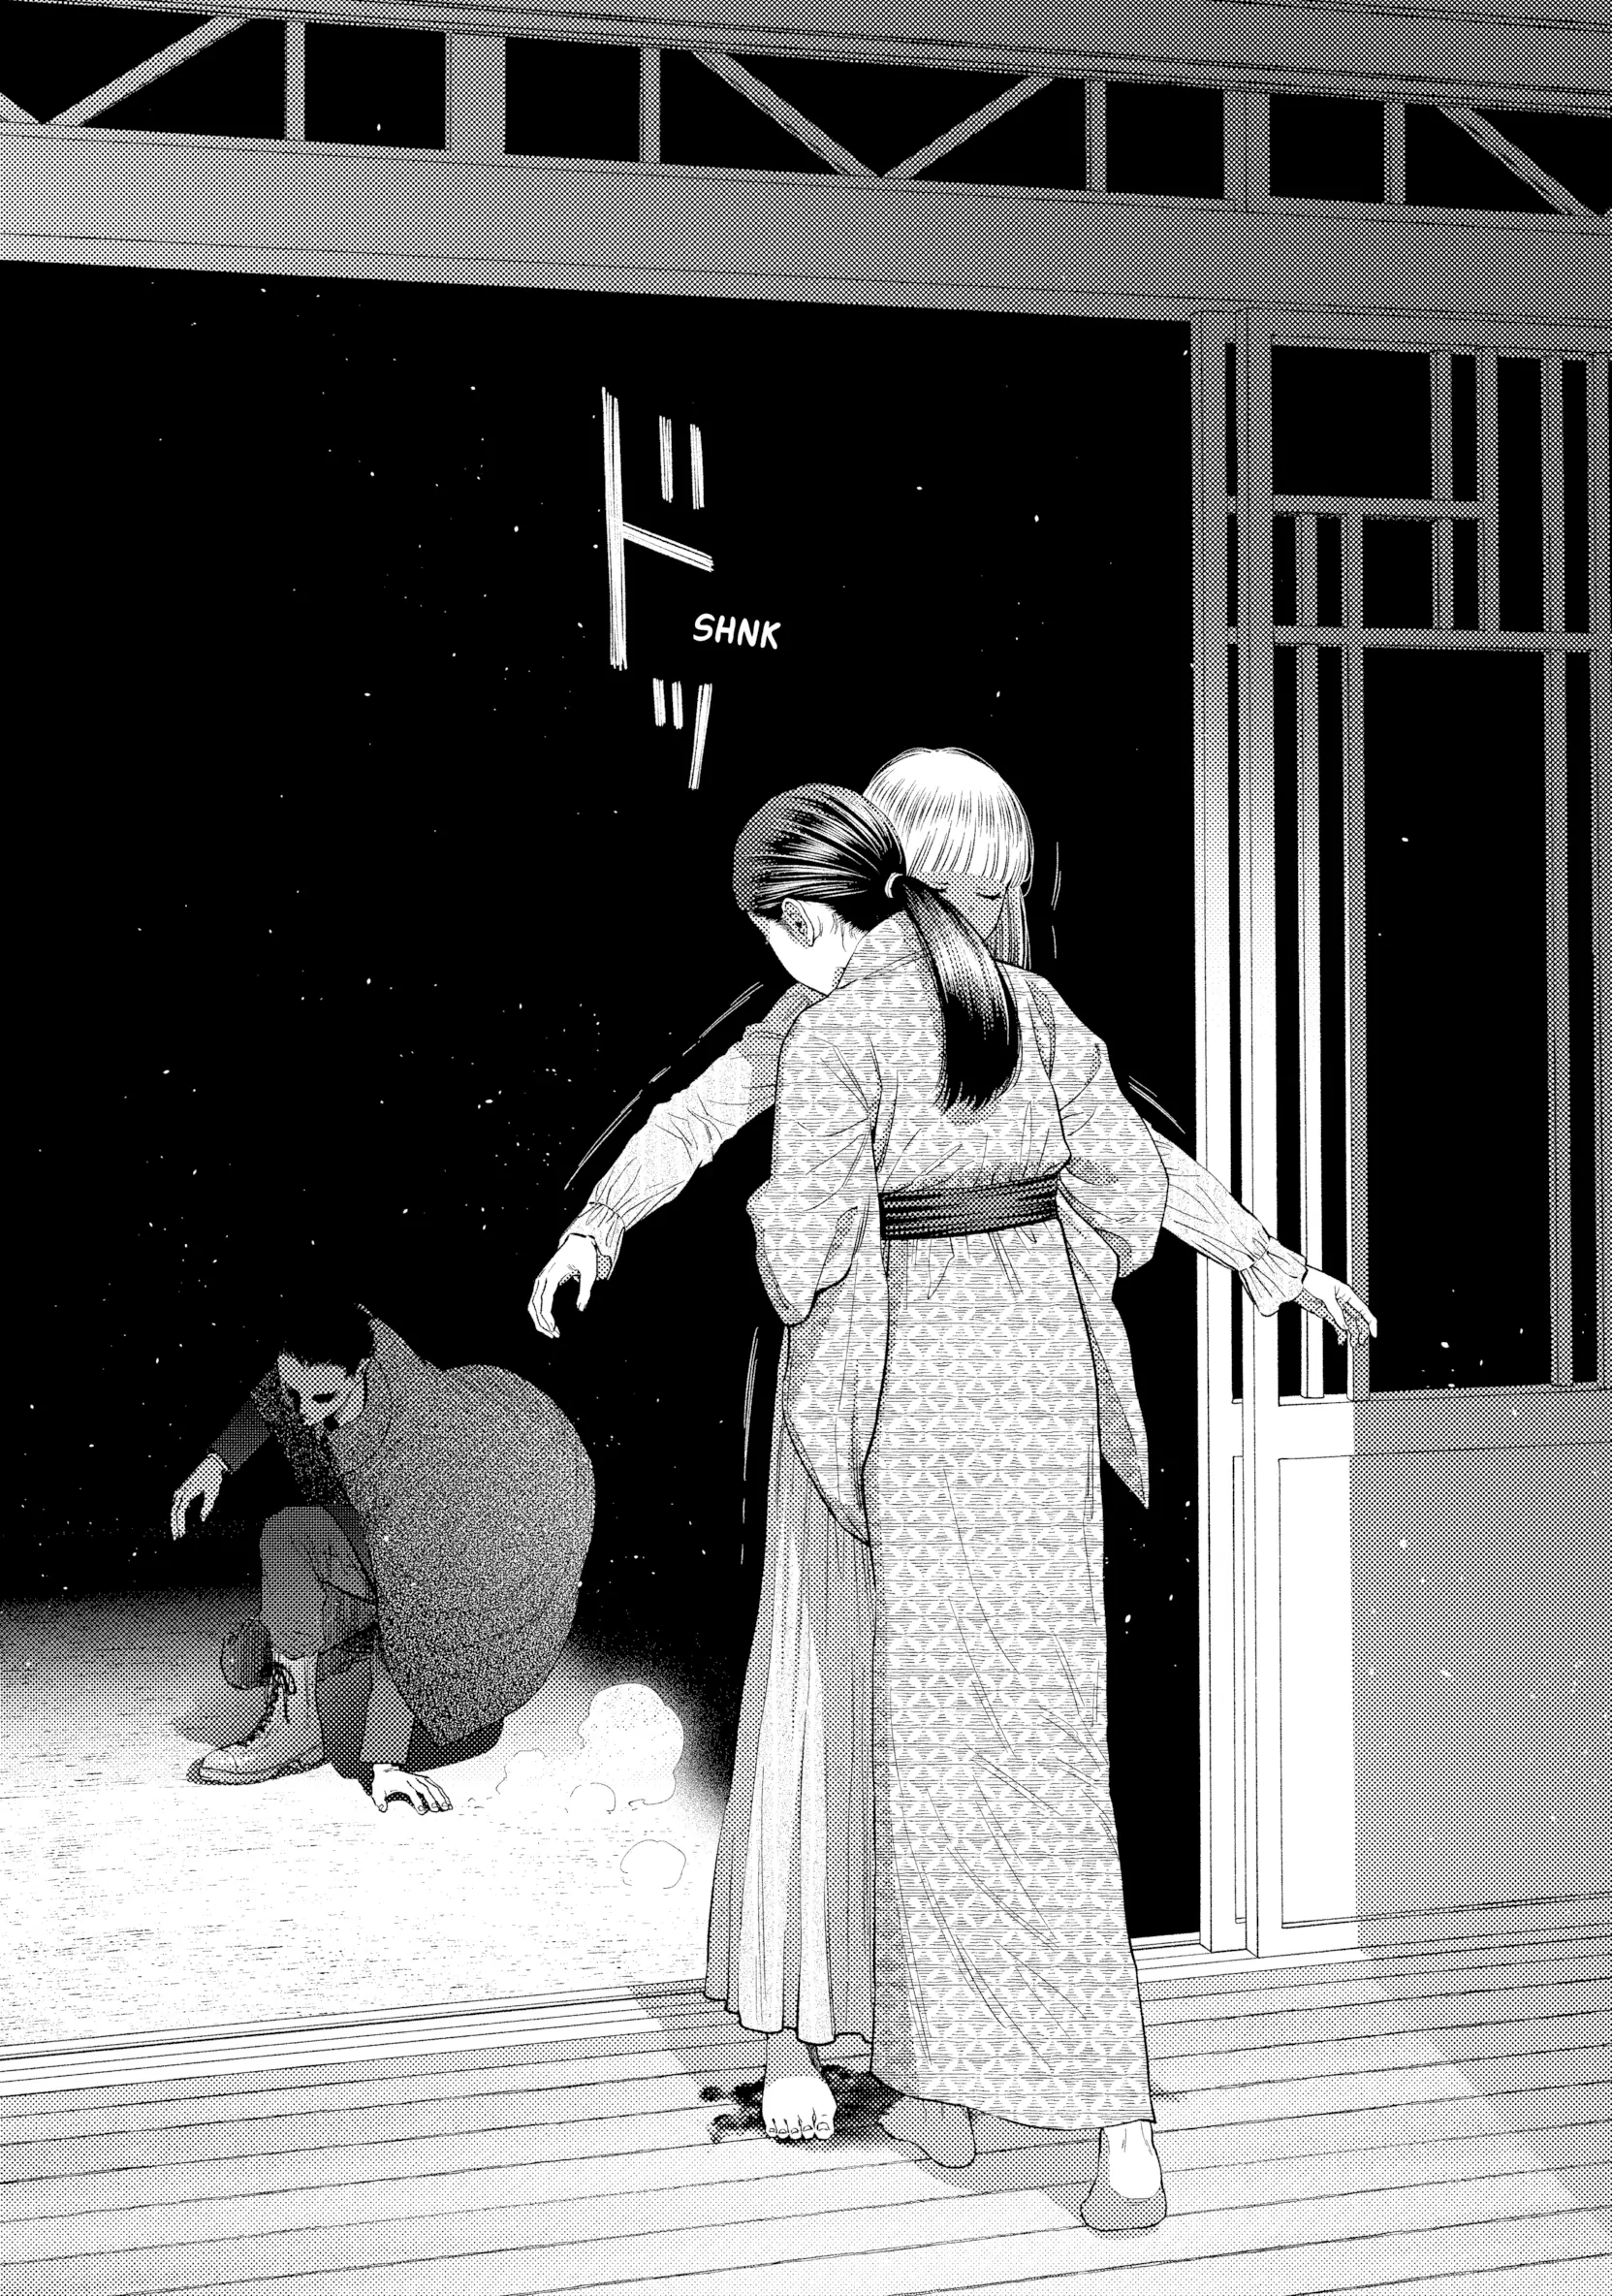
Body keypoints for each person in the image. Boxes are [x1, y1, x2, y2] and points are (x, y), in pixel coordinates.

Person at [706, 781, 1192, 2222]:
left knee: (935, 1767)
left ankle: (968, 2099)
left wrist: (796, 1232)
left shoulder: (839, 1034)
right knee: (1051, 1757)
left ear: (815, 918)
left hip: (920, 1398)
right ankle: (1115, 2131)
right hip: (1035, 1385)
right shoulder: (1032, 1011)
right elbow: (1126, 1189)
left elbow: (801, 1256)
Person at [531, 749, 1372, 1344]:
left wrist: (1267, 1261)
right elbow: (692, 1122)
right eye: (960, 892)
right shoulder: (817, 1017)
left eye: (1000, 895)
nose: (985, 921)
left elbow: (1134, 1154)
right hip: (873, 1337)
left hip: (999, 1333)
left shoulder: (1022, 1010)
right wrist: (600, 1225)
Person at [171, 1300, 594, 1811]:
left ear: (364, 1373)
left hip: (469, 1590)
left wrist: (384, 1762)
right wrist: (218, 1461)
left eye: (323, 1398)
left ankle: (320, 1701)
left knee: (353, 1714)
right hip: (394, 1542)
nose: (304, 1415)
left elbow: (414, 1613)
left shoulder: (409, 1460)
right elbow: (278, 1396)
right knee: (286, 1547)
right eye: (295, 1395)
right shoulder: (350, 1345)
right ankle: (299, 1697)